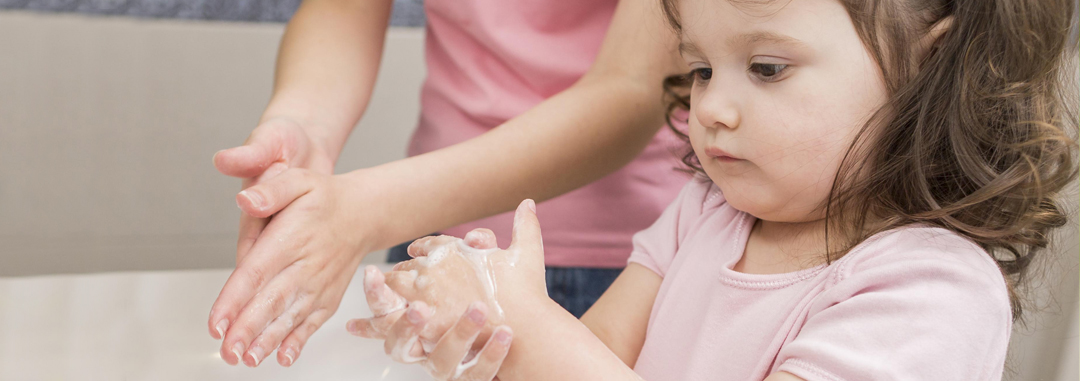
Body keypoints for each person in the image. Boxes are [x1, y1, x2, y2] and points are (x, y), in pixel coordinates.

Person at [352, 0, 1079, 379]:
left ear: (929, 66)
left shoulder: (929, 293)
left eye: (764, 68)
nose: (711, 108)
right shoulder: (707, 213)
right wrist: (486, 333)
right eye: (701, 68)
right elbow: (588, 357)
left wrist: (534, 327)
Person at [207, 0, 689, 368]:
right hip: (430, 240)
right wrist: (305, 126)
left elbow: (635, 86)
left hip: (623, 268)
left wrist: (368, 210)